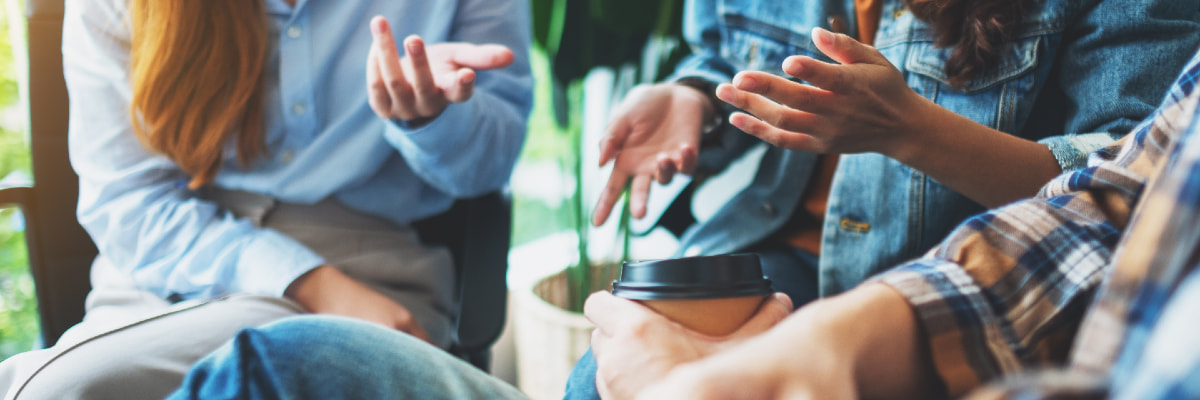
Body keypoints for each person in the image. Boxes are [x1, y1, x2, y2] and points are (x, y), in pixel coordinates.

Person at [163, 49, 1200, 399]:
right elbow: (1110, 214)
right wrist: (693, 97)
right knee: (273, 365)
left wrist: (911, 130)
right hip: (779, 297)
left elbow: (1101, 175)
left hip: (859, 306)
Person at [570, 0, 1200, 396]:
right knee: (594, 380)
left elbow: (1129, 185)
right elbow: (720, 52)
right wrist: (696, 99)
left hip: (953, 260)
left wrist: (911, 130)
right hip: (779, 253)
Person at [0, 0, 531, 399]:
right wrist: (313, 285)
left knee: (59, 389)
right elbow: (126, 203)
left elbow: (490, 168)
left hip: (375, 275)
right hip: (166, 274)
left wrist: (430, 120)